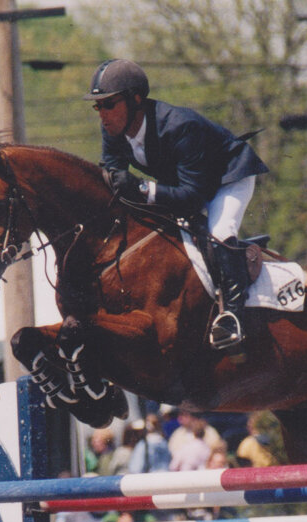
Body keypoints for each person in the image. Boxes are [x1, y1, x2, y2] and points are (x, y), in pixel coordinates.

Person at [85, 58, 269, 349]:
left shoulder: (179, 126)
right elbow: (113, 177)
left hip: (227, 179)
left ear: (136, 100)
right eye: (98, 106)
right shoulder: (113, 130)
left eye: (109, 104)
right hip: (184, 184)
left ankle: (233, 316)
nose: (103, 115)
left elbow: (193, 198)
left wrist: (142, 188)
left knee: (219, 232)